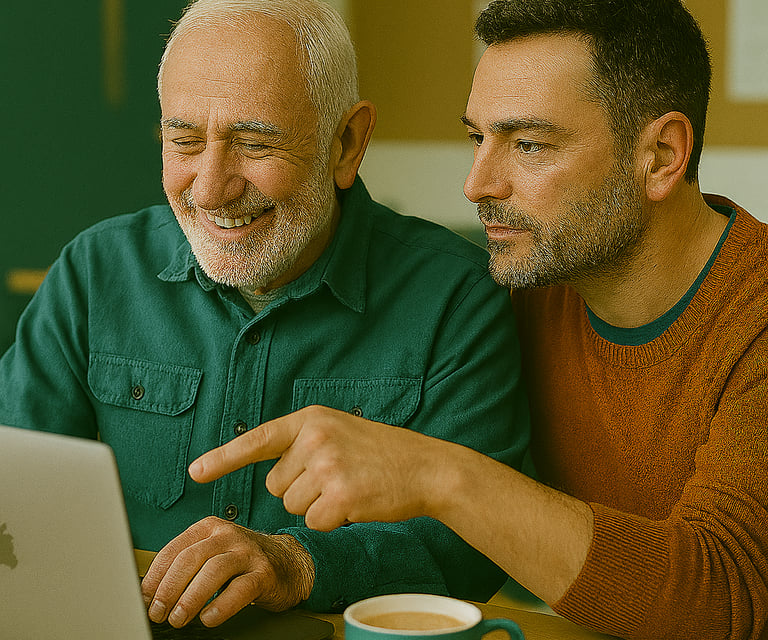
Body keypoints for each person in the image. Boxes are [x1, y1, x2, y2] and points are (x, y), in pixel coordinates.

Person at [188, 1, 768, 638]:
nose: (476, 183)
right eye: (477, 137)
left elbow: (729, 604)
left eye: (529, 145)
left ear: (661, 155)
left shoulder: (754, 315)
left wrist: (438, 474)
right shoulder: (522, 292)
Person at [0, 0, 530, 630]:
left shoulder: (458, 297)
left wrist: (297, 563)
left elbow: (476, 545)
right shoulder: (94, 273)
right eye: (184, 140)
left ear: (347, 143)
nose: (210, 188)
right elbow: (14, 493)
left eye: (255, 143)